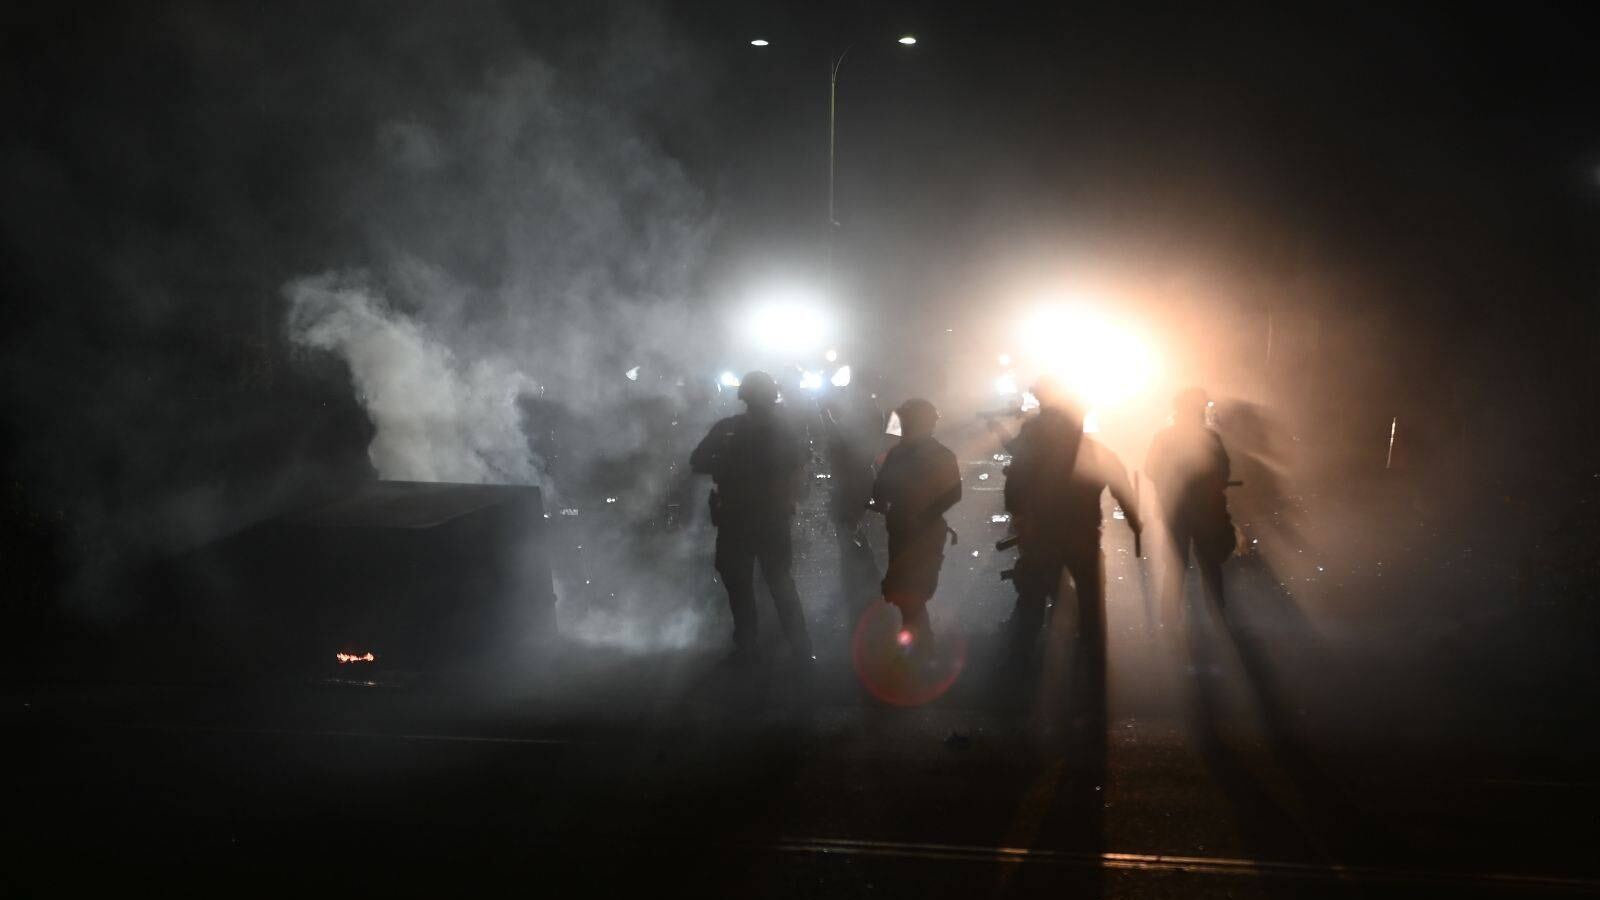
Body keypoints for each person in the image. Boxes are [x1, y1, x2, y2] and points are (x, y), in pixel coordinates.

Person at [1002, 376, 1142, 655]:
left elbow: (1015, 482)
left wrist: (1019, 517)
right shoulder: (1095, 453)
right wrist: (1134, 521)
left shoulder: (1035, 447)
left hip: (1043, 537)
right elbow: (1122, 488)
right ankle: (1090, 659)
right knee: (1089, 605)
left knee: (1033, 601)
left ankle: (1022, 661)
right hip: (1081, 538)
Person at [690, 371, 813, 661]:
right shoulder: (781, 430)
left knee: (746, 586)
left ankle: (754, 645)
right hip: (762, 518)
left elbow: (698, 461)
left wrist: (729, 465)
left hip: (742, 518)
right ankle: (798, 648)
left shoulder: (731, 429)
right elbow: (698, 461)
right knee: (774, 585)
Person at [867, 399, 961, 648]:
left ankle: (919, 646)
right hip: (924, 532)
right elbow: (954, 494)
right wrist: (928, 515)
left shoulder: (898, 454)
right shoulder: (942, 454)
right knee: (913, 591)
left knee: (908, 591)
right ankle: (920, 644)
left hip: (906, 530)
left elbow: (880, 492)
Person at [1144, 387, 1235, 617]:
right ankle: (1217, 614)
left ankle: (1169, 616)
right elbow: (1223, 472)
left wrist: (1170, 486)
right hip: (1206, 512)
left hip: (1176, 510)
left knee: (1177, 564)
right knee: (1209, 563)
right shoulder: (1210, 438)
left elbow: (1150, 469)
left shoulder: (1164, 437)